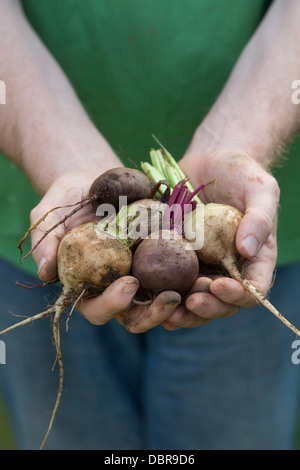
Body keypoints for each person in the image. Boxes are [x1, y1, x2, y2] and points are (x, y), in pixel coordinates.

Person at [0, 0, 300, 450]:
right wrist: (64, 160)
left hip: (255, 230)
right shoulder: (109, 229)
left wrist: (240, 142)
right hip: (41, 216)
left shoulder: (196, 222)